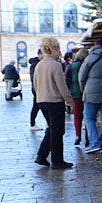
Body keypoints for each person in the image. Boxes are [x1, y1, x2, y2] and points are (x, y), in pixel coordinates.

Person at [33, 37, 74, 169]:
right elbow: (62, 86)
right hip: (55, 101)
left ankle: (41, 155)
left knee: (51, 129)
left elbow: (35, 85)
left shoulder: (39, 65)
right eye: (59, 50)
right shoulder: (56, 65)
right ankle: (57, 160)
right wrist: (69, 100)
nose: (60, 53)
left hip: (42, 100)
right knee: (57, 131)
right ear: (54, 49)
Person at [66, 48, 88, 147]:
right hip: (87, 94)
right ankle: (88, 137)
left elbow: (67, 82)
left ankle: (78, 135)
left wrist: (67, 97)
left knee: (77, 116)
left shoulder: (70, 67)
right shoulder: (88, 66)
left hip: (75, 94)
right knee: (88, 117)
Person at [28, 49, 45, 129]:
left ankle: (33, 123)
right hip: (37, 89)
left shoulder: (38, 63)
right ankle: (32, 123)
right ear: (39, 54)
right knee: (37, 106)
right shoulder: (36, 64)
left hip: (38, 88)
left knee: (37, 106)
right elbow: (33, 78)